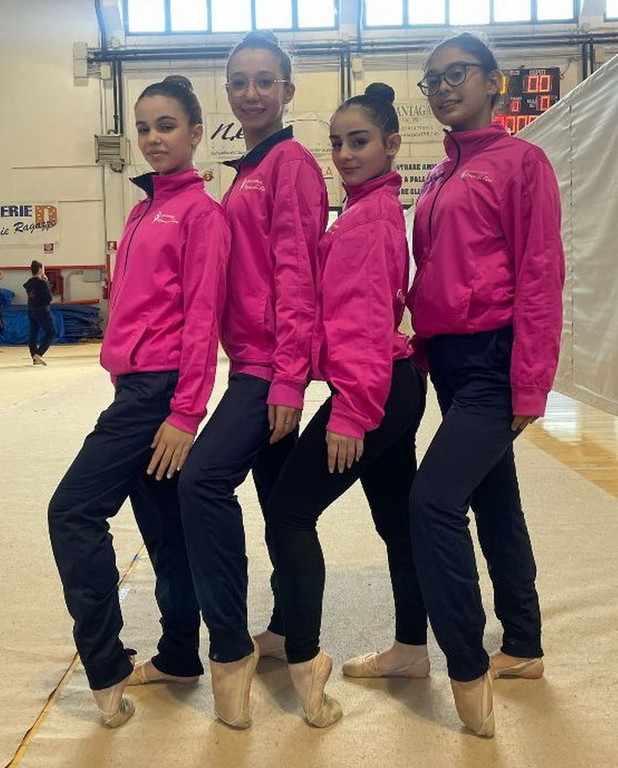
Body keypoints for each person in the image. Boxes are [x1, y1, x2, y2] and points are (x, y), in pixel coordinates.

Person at [48, 75, 230, 728]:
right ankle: (179, 655)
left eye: (167, 126)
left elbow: (202, 317)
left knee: (72, 512)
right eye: (145, 127)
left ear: (196, 133)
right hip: (135, 386)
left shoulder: (202, 215)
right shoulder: (142, 209)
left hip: (157, 394)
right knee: (164, 530)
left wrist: (185, 411)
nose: (154, 138)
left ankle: (105, 667)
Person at [407, 33, 565, 737]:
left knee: (433, 502)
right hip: (450, 359)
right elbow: (434, 272)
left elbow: (541, 274)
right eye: (432, 80)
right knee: (495, 500)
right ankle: (523, 643)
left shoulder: (522, 163)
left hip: (495, 362)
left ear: (494, 82)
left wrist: (530, 384)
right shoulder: (439, 175)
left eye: (457, 74)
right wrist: (419, 343)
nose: (443, 88)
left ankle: (466, 664)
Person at [175, 30, 328, 730]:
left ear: (287, 91)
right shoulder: (250, 168)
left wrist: (288, 380)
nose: (251, 93)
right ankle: (292, 634)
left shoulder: (289, 162)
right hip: (252, 360)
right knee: (281, 510)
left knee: (201, 480)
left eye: (265, 81)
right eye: (239, 81)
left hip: (269, 368)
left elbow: (298, 273)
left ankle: (230, 647)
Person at [265, 83, 428, 728]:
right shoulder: (367, 210)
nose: (345, 155)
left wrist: (353, 410)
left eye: (359, 142)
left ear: (393, 144)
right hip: (390, 383)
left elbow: (362, 319)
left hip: (372, 390)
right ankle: (411, 648)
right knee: (398, 525)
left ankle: (305, 657)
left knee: (289, 512)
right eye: (336, 143)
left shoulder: (368, 220)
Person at [23, 260, 55, 365]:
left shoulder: (29, 283)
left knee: (33, 334)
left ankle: (34, 356)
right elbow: (49, 297)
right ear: (40, 269)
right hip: (42, 310)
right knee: (51, 332)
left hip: (31, 309)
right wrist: (46, 282)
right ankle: (39, 353)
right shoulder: (42, 283)